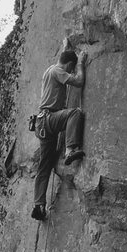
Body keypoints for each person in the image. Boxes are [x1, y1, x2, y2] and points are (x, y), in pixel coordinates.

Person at [31, 38, 87, 221]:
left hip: (42, 124)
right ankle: (71, 149)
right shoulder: (58, 71)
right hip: (50, 119)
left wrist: (66, 47)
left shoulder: (50, 69)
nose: (71, 71)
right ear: (69, 64)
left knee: (44, 165)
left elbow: (63, 61)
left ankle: (39, 205)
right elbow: (78, 82)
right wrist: (81, 65)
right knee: (75, 114)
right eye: (71, 67)